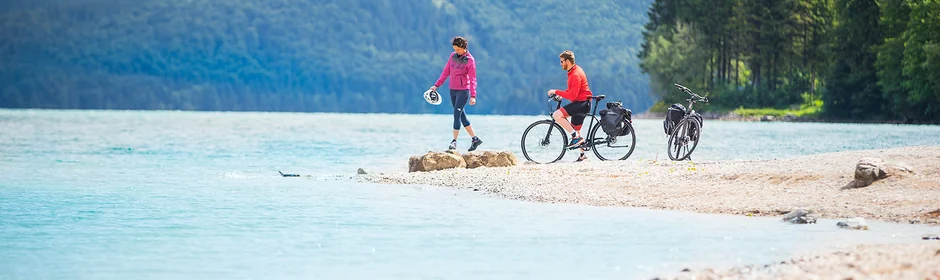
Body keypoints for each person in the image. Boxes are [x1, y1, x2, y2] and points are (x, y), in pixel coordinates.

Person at [430, 36, 483, 152]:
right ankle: (475, 139)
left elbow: (473, 79)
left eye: (458, 49)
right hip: (452, 90)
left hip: (463, 90)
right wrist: (436, 85)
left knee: (456, 113)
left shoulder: (470, 60)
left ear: (464, 47)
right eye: (455, 49)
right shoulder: (452, 56)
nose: (456, 51)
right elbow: (446, 71)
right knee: (461, 115)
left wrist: (473, 96)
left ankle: (454, 141)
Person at [547, 50, 593, 162]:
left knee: (557, 115)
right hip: (582, 103)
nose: (561, 63)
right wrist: (562, 96)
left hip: (581, 104)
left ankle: (575, 137)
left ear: (568, 61)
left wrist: (556, 91)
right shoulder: (574, 71)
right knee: (576, 129)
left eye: (562, 61)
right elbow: (573, 90)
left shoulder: (575, 74)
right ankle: (583, 155)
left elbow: (572, 96)